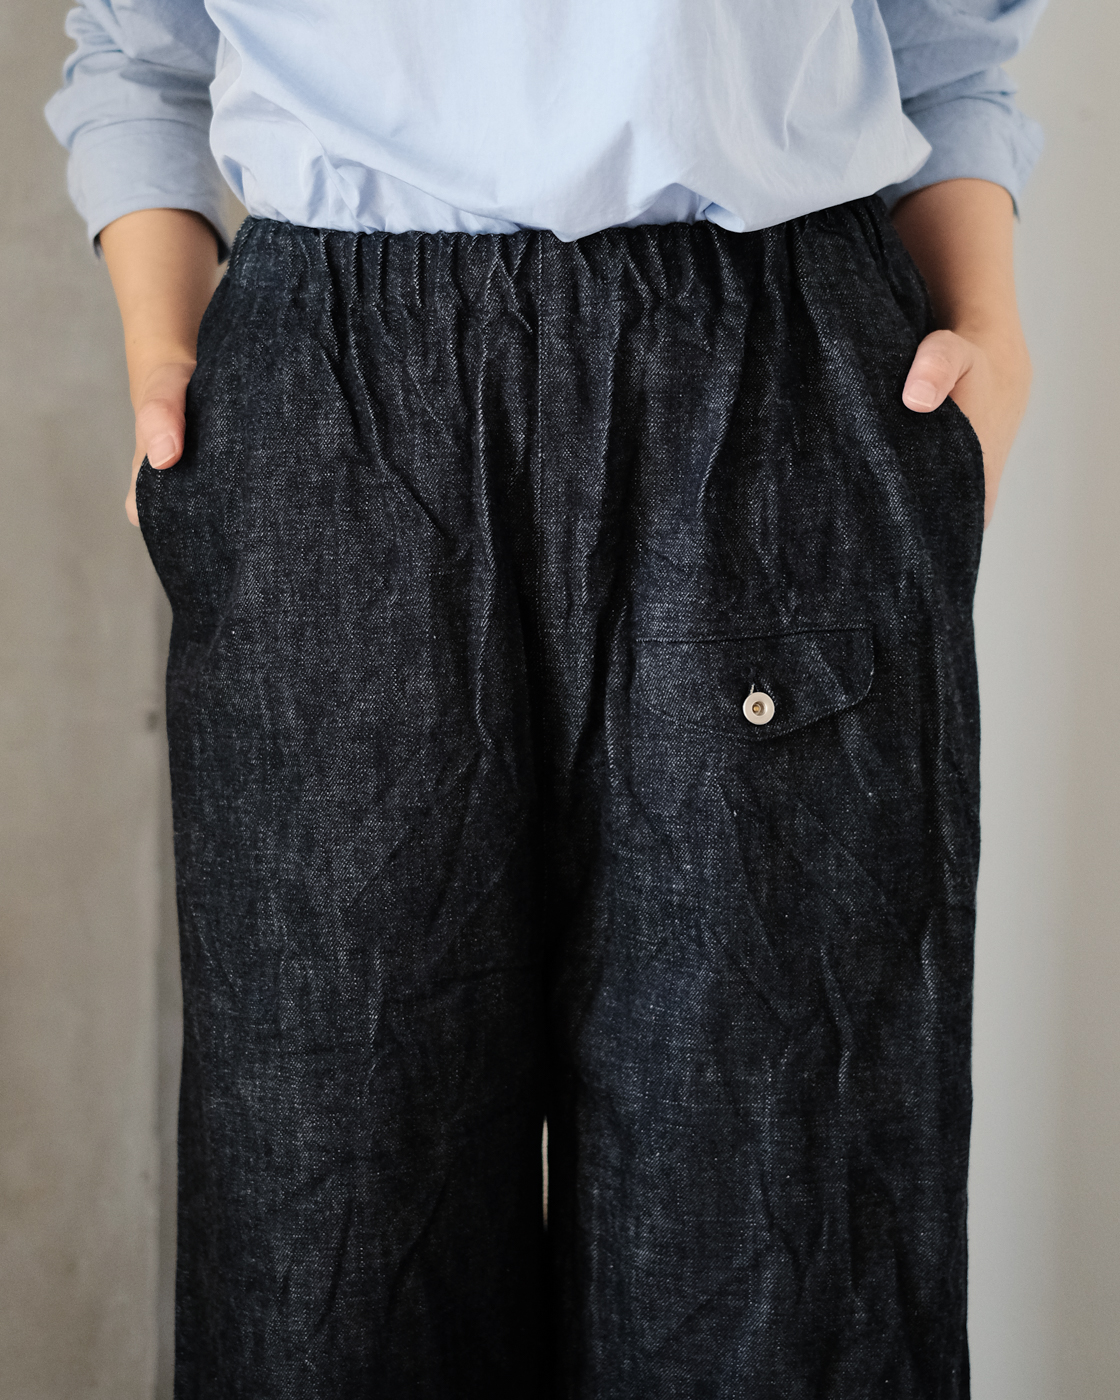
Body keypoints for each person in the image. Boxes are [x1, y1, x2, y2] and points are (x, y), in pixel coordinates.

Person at [46, 3, 1044, 1396]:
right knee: (329, 1237)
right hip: (336, 406)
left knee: (786, 1241)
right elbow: (138, 50)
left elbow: (949, 41)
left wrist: (988, 329)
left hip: (768, 378)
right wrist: (163, 352)